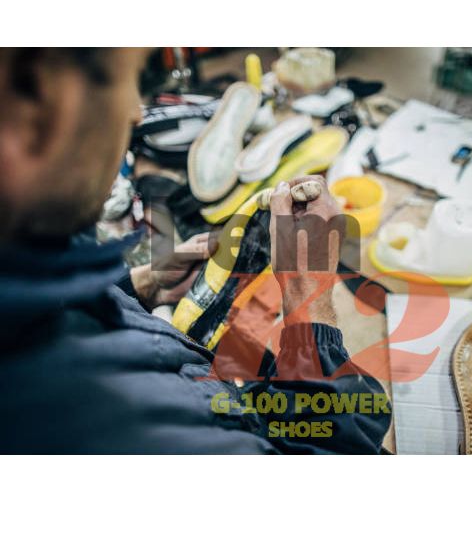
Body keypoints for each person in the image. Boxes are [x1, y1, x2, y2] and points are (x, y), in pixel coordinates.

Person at [0, 48, 390, 454]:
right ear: (38, 105)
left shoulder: (26, 279)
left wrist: (139, 288)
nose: (136, 114)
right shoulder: (119, 420)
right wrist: (309, 303)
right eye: (125, 81)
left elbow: (61, 313)